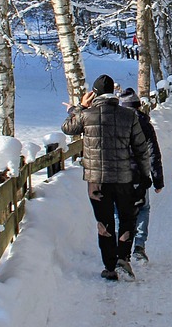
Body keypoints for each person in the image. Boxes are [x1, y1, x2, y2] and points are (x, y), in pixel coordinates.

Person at [62, 74, 151, 280]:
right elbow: (141, 148)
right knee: (127, 218)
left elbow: (67, 128)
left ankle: (109, 266)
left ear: (95, 94)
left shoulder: (87, 115)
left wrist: (79, 107)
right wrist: (144, 174)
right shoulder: (128, 116)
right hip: (124, 178)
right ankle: (123, 258)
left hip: (97, 180)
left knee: (105, 221)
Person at [119, 88, 163, 261]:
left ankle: (121, 246)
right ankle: (139, 245)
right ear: (138, 105)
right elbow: (153, 153)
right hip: (140, 175)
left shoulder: (116, 122)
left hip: (119, 176)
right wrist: (157, 180)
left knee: (120, 211)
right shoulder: (144, 123)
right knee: (143, 208)